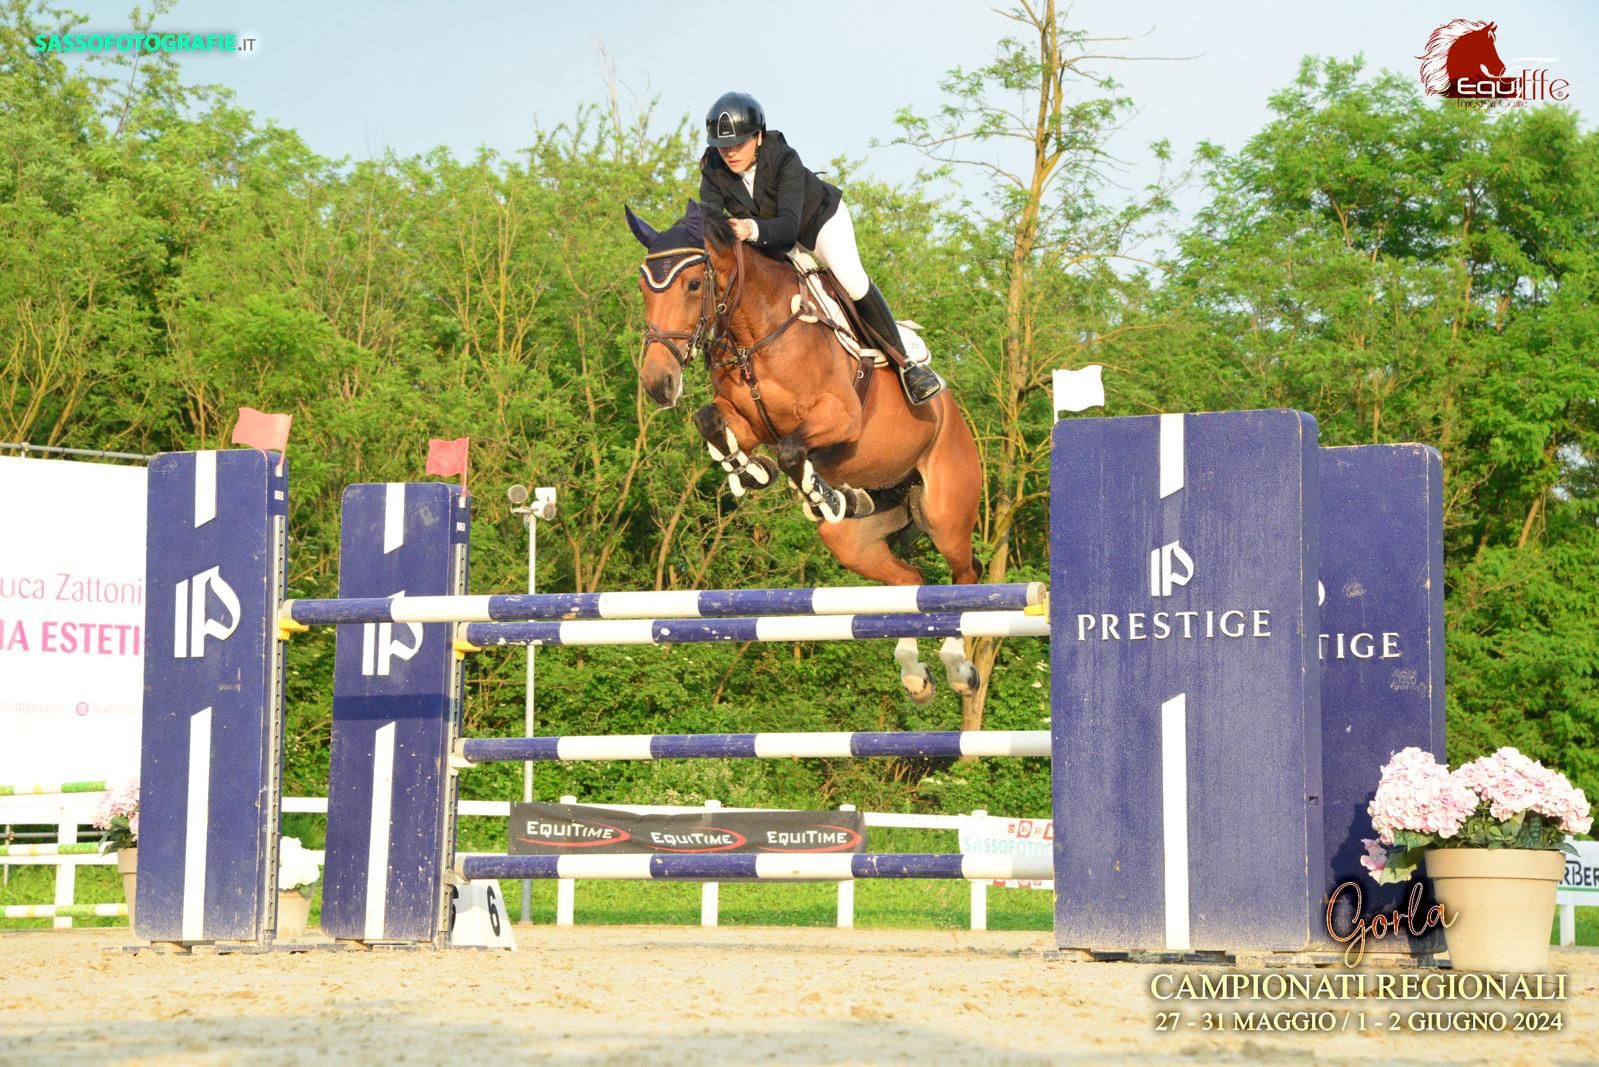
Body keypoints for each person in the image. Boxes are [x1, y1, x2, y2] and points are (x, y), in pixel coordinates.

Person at [698, 91, 944, 405]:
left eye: (739, 144)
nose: (730, 153)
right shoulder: (713, 169)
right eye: (723, 146)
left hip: (817, 223)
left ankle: (907, 364)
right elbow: (710, 226)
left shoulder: (784, 157)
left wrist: (747, 228)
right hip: (772, 243)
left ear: (758, 137)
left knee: (850, 279)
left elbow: (788, 225)